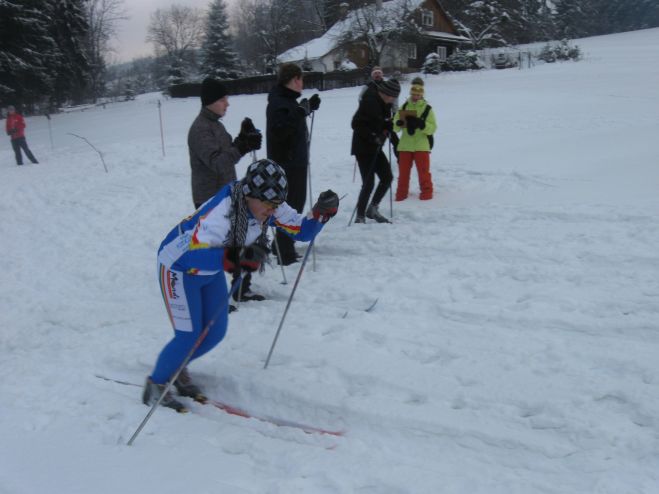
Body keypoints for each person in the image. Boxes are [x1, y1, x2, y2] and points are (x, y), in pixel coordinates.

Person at [143, 159, 339, 412]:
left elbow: (301, 231)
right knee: (188, 335)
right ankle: (155, 385)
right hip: (178, 268)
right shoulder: (222, 214)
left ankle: (176, 367)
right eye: (268, 205)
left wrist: (321, 214)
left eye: (276, 205)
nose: (273, 210)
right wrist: (235, 258)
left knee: (214, 332)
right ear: (249, 195)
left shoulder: (268, 203)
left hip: (211, 269)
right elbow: (190, 255)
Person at [188, 77, 263, 304]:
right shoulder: (200, 129)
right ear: (210, 101)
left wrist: (244, 139)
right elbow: (218, 162)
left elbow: (229, 154)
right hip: (209, 199)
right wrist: (240, 146)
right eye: (222, 99)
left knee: (240, 240)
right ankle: (212, 298)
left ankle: (241, 288)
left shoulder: (216, 125)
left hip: (228, 193)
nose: (227, 104)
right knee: (217, 249)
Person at [266, 63, 321, 265]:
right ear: (292, 79)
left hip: (294, 160)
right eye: (299, 79)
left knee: (294, 204)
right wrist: (300, 112)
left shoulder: (286, 101)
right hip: (286, 164)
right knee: (291, 206)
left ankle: (280, 245)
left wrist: (305, 109)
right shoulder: (278, 102)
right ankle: (284, 251)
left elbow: (292, 120)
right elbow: (280, 130)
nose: (301, 83)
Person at [350, 78, 401, 224]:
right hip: (363, 147)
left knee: (387, 177)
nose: (393, 100)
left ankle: (372, 208)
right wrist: (373, 137)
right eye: (393, 96)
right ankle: (360, 215)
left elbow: (388, 126)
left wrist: (397, 148)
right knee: (369, 182)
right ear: (387, 93)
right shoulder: (369, 101)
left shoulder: (385, 105)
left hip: (375, 147)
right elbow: (355, 123)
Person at [393, 77, 437, 201]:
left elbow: (433, 128)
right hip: (405, 145)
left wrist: (422, 124)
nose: (416, 96)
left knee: (424, 173)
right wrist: (399, 123)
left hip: (421, 145)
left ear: (422, 93)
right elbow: (395, 127)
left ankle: (427, 195)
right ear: (411, 92)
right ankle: (400, 195)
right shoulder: (404, 106)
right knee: (403, 174)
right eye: (414, 93)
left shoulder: (428, 109)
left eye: (418, 93)